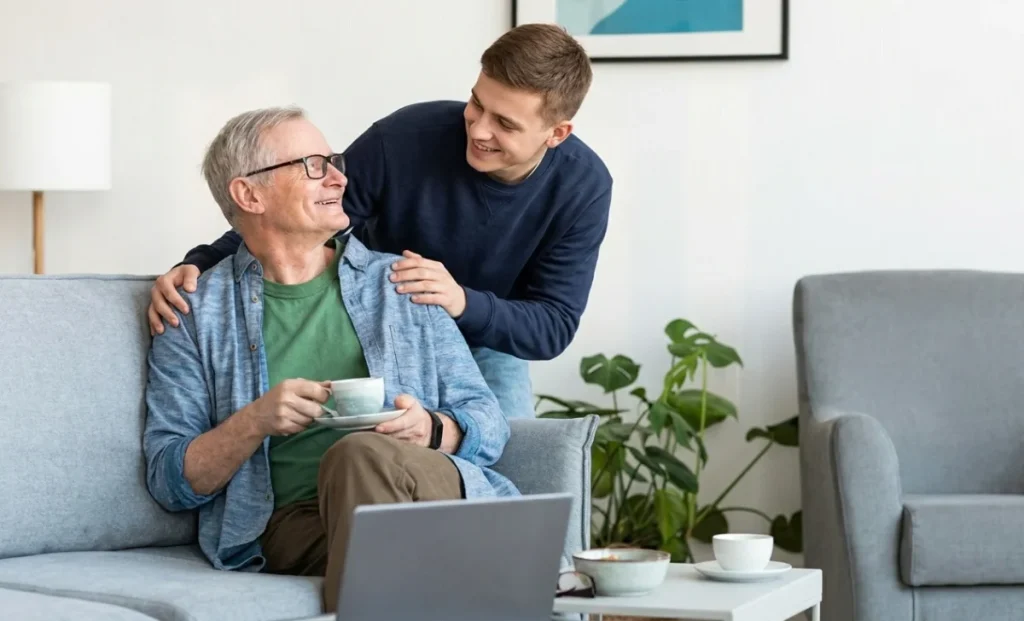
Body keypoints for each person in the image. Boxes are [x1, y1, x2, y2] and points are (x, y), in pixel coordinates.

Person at [143, 106, 518, 613]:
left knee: (360, 456)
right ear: (249, 195)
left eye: (334, 162)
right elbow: (170, 481)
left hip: (424, 490)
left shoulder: (403, 285)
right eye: (313, 166)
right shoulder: (193, 314)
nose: (340, 178)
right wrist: (254, 421)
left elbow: (490, 424)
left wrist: (431, 428)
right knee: (363, 481)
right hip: (296, 523)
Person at [146, 24, 613, 420]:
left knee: (509, 467)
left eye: (505, 124)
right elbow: (301, 214)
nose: (478, 129)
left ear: (557, 134)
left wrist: (460, 301)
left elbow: (552, 325)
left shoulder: (583, 187)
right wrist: (199, 263)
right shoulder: (407, 137)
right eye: (476, 104)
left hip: (488, 339)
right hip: (387, 327)